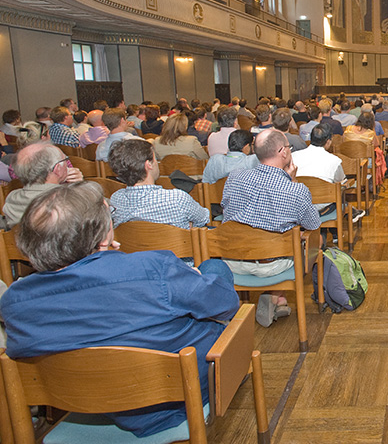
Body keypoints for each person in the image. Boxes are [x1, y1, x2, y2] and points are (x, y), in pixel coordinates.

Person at [0, 181, 239, 438]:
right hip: (180, 397)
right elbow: (226, 306)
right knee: (214, 270)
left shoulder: (14, 302)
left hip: (87, 401)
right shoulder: (153, 268)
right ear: (103, 236)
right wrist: (185, 279)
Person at [221, 129, 321, 326]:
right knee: (310, 241)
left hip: (233, 259)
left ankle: (278, 299)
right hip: (272, 266)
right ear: (283, 152)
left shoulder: (234, 177)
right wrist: (292, 180)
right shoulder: (295, 189)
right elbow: (313, 224)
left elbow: (225, 208)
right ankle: (275, 295)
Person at [108, 138, 209, 229]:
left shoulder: (116, 199)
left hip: (132, 249)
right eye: (155, 159)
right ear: (149, 165)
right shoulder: (177, 199)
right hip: (177, 249)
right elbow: (204, 218)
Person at [3, 142, 84, 225]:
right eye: (65, 160)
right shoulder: (68, 201)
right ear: (57, 169)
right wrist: (79, 187)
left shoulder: (11, 201)